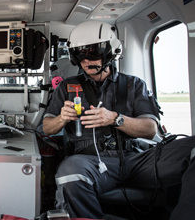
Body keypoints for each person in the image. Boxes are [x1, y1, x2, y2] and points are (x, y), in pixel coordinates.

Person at [42, 21, 195, 219]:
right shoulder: (67, 87)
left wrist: (116, 119)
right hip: (90, 162)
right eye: (80, 54)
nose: (86, 60)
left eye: (94, 53)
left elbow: (150, 130)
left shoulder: (134, 85)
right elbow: (47, 127)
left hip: (136, 159)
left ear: (110, 52)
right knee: (69, 172)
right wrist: (62, 118)